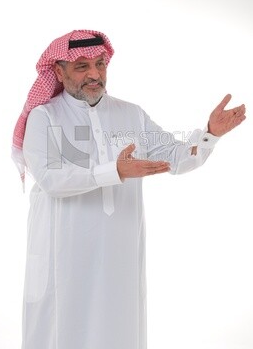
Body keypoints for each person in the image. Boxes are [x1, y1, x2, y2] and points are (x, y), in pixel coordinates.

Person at [12, 29, 246, 349]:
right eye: (82, 67)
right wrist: (114, 171)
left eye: (100, 64)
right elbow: (52, 179)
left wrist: (209, 135)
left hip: (119, 254)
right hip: (64, 253)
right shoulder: (43, 117)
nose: (94, 74)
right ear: (58, 71)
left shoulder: (130, 114)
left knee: (118, 330)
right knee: (60, 330)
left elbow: (177, 158)